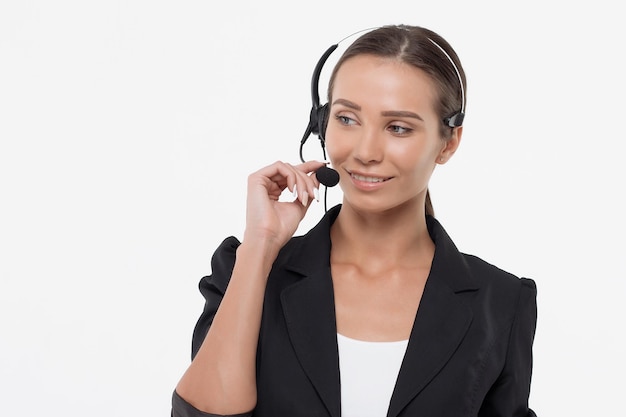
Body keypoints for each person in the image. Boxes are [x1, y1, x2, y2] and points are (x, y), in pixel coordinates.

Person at [172, 24, 538, 417]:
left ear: (448, 143)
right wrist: (260, 244)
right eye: (347, 119)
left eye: (398, 127)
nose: (365, 151)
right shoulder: (246, 271)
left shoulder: (499, 302)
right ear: (320, 123)